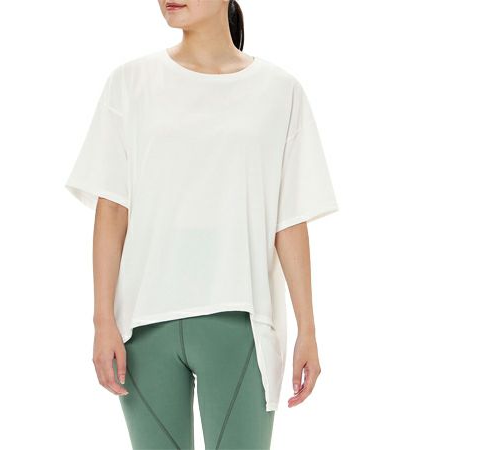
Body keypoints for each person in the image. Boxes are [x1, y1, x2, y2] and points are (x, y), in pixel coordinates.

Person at [64, 1, 338, 448]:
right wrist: (102, 321)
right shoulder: (130, 83)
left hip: (241, 321)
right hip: (143, 327)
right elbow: (112, 211)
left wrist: (308, 330)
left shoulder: (279, 91)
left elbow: (288, 220)